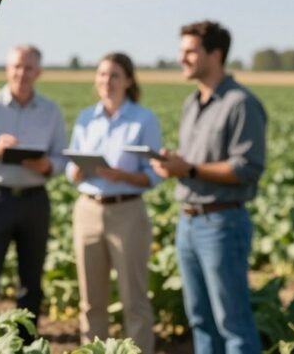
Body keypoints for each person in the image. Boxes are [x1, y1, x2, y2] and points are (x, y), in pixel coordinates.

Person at [150, 20, 266, 354]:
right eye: (181, 50)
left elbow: (247, 167)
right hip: (187, 222)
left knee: (233, 324)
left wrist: (187, 167)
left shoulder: (240, 104)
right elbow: (197, 163)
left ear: (215, 54)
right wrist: (176, 163)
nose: (181, 58)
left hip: (222, 225)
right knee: (200, 320)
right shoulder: (192, 104)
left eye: (190, 51)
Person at [0, 44, 67, 339]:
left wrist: (46, 165)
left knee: (31, 280)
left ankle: (25, 341)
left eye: (29, 67)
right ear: (8, 69)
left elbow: (61, 158)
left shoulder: (50, 111)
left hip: (35, 200)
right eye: (17, 66)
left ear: (38, 72)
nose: (22, 73)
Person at [66, 53, 160, 352]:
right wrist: (78, 170)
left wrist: (122, 175)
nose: (106, 81)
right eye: (102, 74)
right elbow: (71, 169)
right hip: (88, 210)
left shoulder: (144, 119)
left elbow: (154, 176)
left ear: (128, 80)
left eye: (114, 75)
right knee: (91, 300)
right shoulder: (85, 118)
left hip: (128, 211)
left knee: (134, 300)